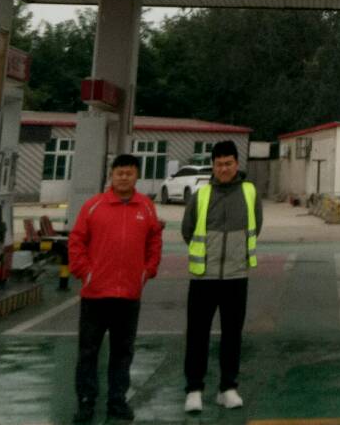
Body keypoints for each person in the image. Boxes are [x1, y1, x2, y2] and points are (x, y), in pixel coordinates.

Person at [67, 153, 163, 423]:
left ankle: (117, 401)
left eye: (129, 172)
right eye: (119, 172)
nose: (123, 177)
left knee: (123, 353)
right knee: (88, 352)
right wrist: (85, 273)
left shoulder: (146, 208)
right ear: (111, 175)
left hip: (129, 296)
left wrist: (147, 271)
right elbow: (76, 241)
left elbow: (154, 241)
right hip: (95, 295)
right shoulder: (93, 206)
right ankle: (86, 402)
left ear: (137, 176)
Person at [182, 139, 262, 413]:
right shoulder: (201, 195)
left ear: (237, 164)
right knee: (197, 335)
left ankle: (228, 388)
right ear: (213, 166)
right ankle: (194, 389)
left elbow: (256, 226)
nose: (224, 169)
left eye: (228, 163)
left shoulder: (250, 193)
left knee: (232, 335)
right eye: (219, 164)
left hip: (236, 277)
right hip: (203, 278)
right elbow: (188, 230)